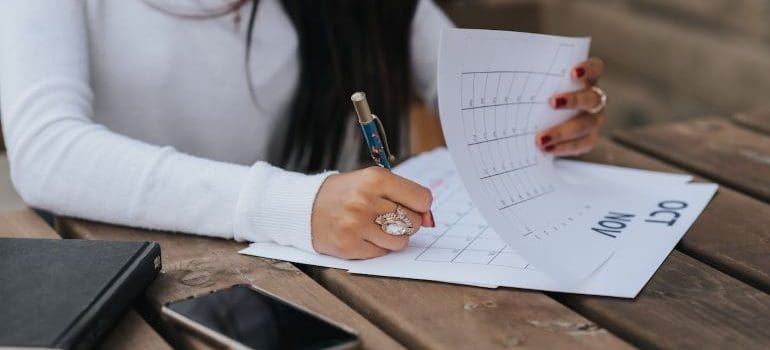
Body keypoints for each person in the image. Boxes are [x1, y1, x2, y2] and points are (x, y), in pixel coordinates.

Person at [0, 0, 606, 260]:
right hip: (137, 284)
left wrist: (547, 113)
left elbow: (464, 91)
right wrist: (296, 204)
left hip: (350, 282)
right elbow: (47, 151)